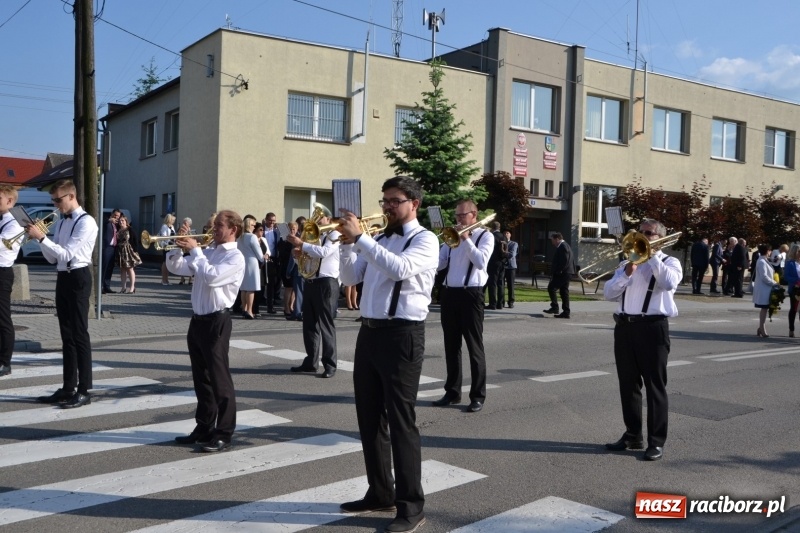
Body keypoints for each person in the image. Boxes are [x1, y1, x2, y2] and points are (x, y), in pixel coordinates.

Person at [338, 176, 438, 533]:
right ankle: (380, 492)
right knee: (369, 418)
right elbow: (349, 277)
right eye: (385, 201)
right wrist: (346, 245)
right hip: (370, 332)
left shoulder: (425, 239)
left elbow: (401, 269)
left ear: (414, 203)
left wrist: (361, 239)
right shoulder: (379, 238)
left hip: (402, 335)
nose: (387, 207)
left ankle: (411, 507)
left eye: (394, 201)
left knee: (401, 423)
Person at [603, 218, 681, 462]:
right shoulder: (627, 262)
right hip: (625, 328)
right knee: (628, 385)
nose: (643, 236)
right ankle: (632, 435)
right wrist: (626, 273)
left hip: (652, 328)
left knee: (655, 386)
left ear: (661, 239)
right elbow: (608, 293)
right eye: (641, 232)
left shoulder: (669, 262)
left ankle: (656, 442)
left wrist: (653, 256)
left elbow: (669, 283)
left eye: (649, 233)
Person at [167, 210, 245, 453]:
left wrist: (196, 251)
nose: (213, 230)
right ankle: (204, 427)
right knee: (201, 379)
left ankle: (224, 433)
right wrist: (177, 248)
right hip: (198, 321)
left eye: (218, 225)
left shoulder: (235, 257)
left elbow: (212, 278)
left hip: (217, 321)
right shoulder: (209, 251)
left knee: (220, 379)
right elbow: (177, 268)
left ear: (233, 229)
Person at [29, 179, 98, 408]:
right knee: (66, 335)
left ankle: (84, 390)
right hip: (63, 277)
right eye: (53, 200)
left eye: (58, 200)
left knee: (80, 335)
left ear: (71, 196)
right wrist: (41, 240)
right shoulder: (60, 223)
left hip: (78, 277)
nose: (55, 205)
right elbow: (53, 258)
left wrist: (41, 237)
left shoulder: (86, 222)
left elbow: (67, 254)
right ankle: (68, 387)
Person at [432, 199, 494, 413]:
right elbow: (440, 263)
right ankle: (452, 392)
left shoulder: (485, 236)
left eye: (462, 215)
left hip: (471, 294)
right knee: (451, 346)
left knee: (474, 347)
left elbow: (481, 262)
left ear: (473, 214)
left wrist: (466, 239)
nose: (458, 219)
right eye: (456, 215)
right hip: (450, 294)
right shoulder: (452, 236)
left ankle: (477, 396)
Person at [287, 212, 341, 378]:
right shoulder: (313, 237)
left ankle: (330, 365)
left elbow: (324, 252)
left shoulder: (334, 234)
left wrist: (302, 244)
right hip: (310, 282)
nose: (317, 220)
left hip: (326, 283)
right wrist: (297, 257)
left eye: (320, 217)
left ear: (328, 220)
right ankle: (311, 362)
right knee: (309, 325)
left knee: (326, 324)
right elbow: (308, 261)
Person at [0, 185, 23, 377]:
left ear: (9, 201)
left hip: (2, 273)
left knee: (3, 319)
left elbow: (2, 245)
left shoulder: (14, 224)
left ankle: (5, 362)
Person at [238, 215, 264, 319]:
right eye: (253, 225)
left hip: (242, 262)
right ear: (249, 225)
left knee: (244, 288)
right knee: (251, 288)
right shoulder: (252, 237)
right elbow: (259, 254)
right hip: (252, 263)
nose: (254, 227)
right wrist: (264, 257)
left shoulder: (240, 237)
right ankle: (249, 310)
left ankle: (244, 309)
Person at [543, 232, 574, 319]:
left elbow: (565, 260)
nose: (552, 242)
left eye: (552, 240)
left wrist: (559, 271)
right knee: (564, 292)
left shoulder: (563, 246)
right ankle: (566, 312)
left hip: (563, 273)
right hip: (567, 272)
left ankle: (555, 307)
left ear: (557, 239)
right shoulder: (565, 246)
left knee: (551, 288)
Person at [753, 243, 779, 338]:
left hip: (766, 288)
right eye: (770, 250)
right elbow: (764, 277)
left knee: (765, 308)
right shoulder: (761, 261)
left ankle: (761, 328)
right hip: (763, 288)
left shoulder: (764, 260)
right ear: (767, 251)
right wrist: (775, 283)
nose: (771, 252)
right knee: (764, 308)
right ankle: (762, 328)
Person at [116, 215, 142, 294]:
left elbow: (135, 240)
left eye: (123, 221)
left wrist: (135, 251)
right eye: (120, 221)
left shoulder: (130, 229)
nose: (121, 222)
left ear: (126, 222)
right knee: (122, 269)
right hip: (121, 251)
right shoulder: (118, 230)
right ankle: (123, 287)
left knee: (130, 268)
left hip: (128, 251)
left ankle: (132, 287)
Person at [251, 222, 271, 317]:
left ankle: (256, 309)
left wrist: (267, 255)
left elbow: (268, 251)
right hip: (255, 265)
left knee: (261, 287)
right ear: (255, 230)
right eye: (260, 230)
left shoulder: (263, 239)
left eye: (263, 230)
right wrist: (261, 256)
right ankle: (251, 309)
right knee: (253, 288)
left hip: (263, 265)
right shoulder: (252, 239)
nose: (262, 231)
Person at [485, 221, 506, 310]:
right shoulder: (503, 236)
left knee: (492, 283)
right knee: (500, 283)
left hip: (493, 262)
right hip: (502, 262)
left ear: (492, 227)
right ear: (499, 227)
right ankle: (500, 304)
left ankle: (492, 304)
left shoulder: (492, 236)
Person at [263, 212, 281, 313]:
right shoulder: (261, 230)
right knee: (261, 283)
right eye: (270, 220)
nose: (272, 223)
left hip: (273, 259)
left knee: (271, 283)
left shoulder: (276, 231)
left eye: (273, 221)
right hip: (262, 258)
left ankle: (270, 306)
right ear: (266, 220)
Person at [101, 209, 120, 294]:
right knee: (104, 267)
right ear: (112, 214)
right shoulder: (107, 221)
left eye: (118, 216)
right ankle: (100, 286)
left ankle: (107, 286)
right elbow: (102, 223)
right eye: (115, 215)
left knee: (110, 268)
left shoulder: (116, 225)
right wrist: (109, 220)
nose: (116, 217)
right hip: (107, 247)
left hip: (113, 248)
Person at [784, 244, 800, 338]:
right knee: (793, 309)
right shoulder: (790, 263)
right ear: (795, 252)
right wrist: (797, 281)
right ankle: (791, 329)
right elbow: (786, 277)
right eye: (799, 252)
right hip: (795, 289)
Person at [158, 213, 176, 285]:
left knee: (168, 263)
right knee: (165, 262)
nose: (173, 221)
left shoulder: (172, 226)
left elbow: (174, 235)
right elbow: (164, 237)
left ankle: (167, 280)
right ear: (169, 220)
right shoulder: (164, 226)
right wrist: (171, 241)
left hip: (171, 246)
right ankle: (163, 280)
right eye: (173, 220)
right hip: (166, 246)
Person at [503, 230, 518, 308]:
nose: (506, 234)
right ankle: (501, 301)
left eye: (507, 233)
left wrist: (503, 253)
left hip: (511, 267)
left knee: (510, 285)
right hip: (502, 266)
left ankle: (511, 301)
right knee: (501, 285)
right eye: (505, 233)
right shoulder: (501, 243)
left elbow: (512, 254)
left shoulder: (514, 244)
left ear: (510, 235)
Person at [178, 217, 194, 286]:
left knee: (190, 264)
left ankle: (190, 279)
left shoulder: (192, 231)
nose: (183, 224)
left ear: (189, 224)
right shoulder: (181, 230)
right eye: (183, 223)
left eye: (185, 223)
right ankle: (182, 279)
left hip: (189, 250)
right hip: (183, 250)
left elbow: (193, 239)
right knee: (182, 264)